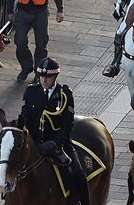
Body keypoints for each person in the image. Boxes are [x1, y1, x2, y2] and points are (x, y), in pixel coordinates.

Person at [21, 58, 90, 205]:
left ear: (55, 77)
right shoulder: (31, 91)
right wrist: (35, 142)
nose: (44, 80)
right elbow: (26, 119)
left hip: (59, 145)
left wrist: (55, 143)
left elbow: (67, 125)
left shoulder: (64, 95)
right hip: (36, 143)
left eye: (48, 77)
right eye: (42, 76)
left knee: (78, 175)